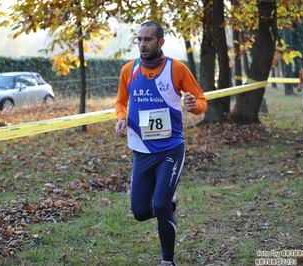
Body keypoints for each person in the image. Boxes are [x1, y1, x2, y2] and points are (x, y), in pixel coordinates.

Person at [115, 21, 208, 266]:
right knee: (141, 212)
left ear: (160, 42)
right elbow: (120, 103)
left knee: (160, 203)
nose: (142, 44)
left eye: (148, 39)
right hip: (142, 151)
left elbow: (201, 100)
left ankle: (168, 260)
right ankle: (168, 204)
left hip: (170, 149)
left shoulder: (176, 69)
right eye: (139, 40)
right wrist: (121, 119)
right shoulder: (129, 70)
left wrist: (193, 106)